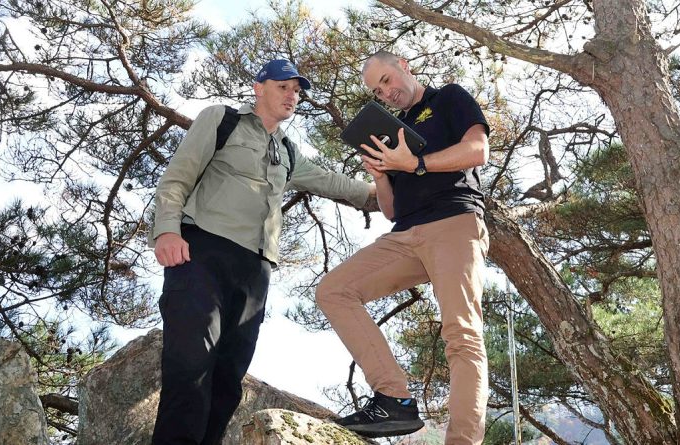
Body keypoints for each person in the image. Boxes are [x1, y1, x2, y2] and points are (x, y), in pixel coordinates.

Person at [149, 59, 375, 445]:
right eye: (284, 87)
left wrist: (387, 192)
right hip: (202, 251)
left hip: (256, 271)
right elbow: (177, 176)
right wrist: (166, 230)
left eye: (298, 91)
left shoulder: (288, 151)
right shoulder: (222, 120)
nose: (293, 96)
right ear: (259, 87)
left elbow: (332, 181)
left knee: (226, 381)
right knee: (190, 366)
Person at [316, 50, 490, 445]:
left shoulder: (449, 97)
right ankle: (394, 398)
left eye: (387, 81)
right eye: (378, 91)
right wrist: (381, 175)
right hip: (405, 233)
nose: (386, 93)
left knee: (461, 335)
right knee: (333, 291)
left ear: (404, 67)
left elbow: (478, 151)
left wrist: (416, 163)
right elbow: (391, 211)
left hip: (454, 222)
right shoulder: (393, 130)